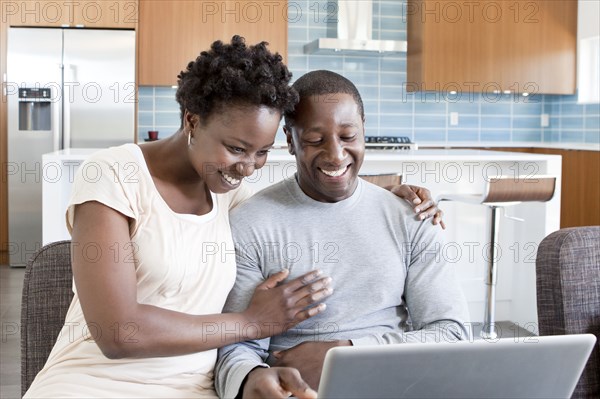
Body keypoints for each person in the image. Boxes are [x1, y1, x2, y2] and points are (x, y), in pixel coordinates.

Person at [24, 38, 441, 398]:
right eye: (237, 148)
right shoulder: (114, 175)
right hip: (92, 384)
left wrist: (392, 197)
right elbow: (118, 332)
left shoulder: (231, 198)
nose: (248, 167)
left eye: (261, 152)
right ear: (192, 120)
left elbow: (308, 197)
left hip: (195, 389)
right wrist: (249, 323)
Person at [215, 70, 471, 399]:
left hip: (396, 385)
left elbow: (452, 334)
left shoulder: (413, 217)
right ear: (291, 141)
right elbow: (237, 348)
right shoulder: (250, 224)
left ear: (365, 133)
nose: (336, 155)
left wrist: (344, 354)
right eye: (314, 140)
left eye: (348, 136)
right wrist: (252, 379)